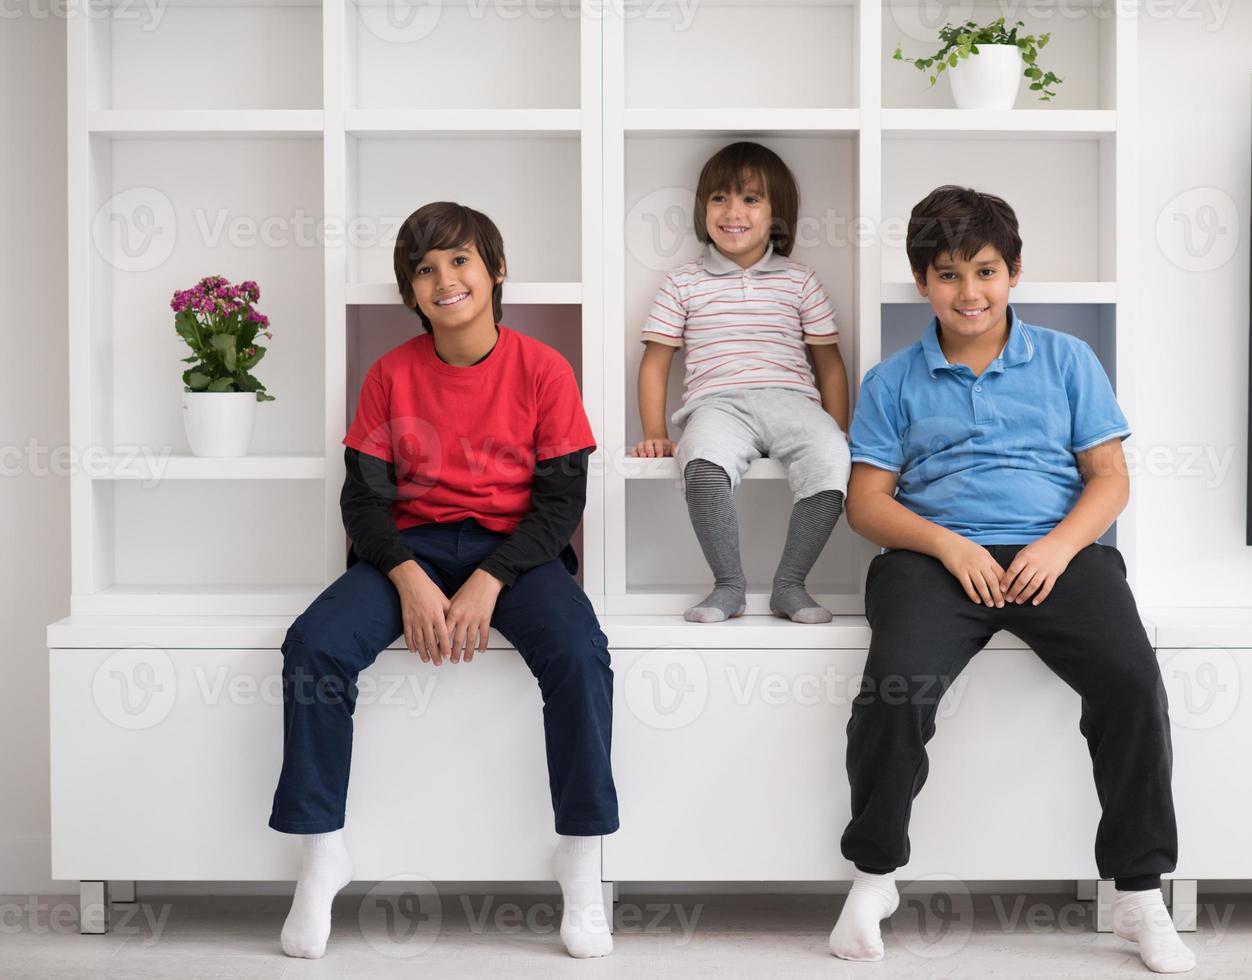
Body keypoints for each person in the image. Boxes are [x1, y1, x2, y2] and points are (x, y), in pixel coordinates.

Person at [828, 186, 1195, 973]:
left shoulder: (1066, 360)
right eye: (950, 275)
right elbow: (865, 505)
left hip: (1054, 553)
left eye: (986, 272)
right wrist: (948, 546)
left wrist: (1059, 548)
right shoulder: (893, 381)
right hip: (930, 561)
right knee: (892, 689)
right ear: (923, 282)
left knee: (1132, 683)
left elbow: (1108, 477)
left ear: (1015, 271)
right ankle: (874, 876)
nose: (970, 293)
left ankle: (1138, 893)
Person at [268, 201, 617, 960]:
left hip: (516, 553)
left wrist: (489, 579)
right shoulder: (389, 375)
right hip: (408, 547)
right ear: (411, 292)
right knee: (314, 646)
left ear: (495, 272)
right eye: (424, 270)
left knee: (580, 654)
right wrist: (409, 579)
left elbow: (562, 501)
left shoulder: (542, 369)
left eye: (459, 261)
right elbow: (361, 498)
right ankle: (322, 851)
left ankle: (582, 859)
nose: (443, 280)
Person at [632, 141, 852, 623]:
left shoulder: (801, 280)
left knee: (834, 460)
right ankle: (728, 585)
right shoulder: (683, 282)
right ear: (702, 208)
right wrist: (655, 433)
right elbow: (656, 362)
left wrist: (837, 427)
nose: (733, 212)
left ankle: (790, 586)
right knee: (703, 464)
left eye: (751, 199)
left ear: (777, 213)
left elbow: (829, 364)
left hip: (793, 403)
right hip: (717, 406)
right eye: (719, 199)